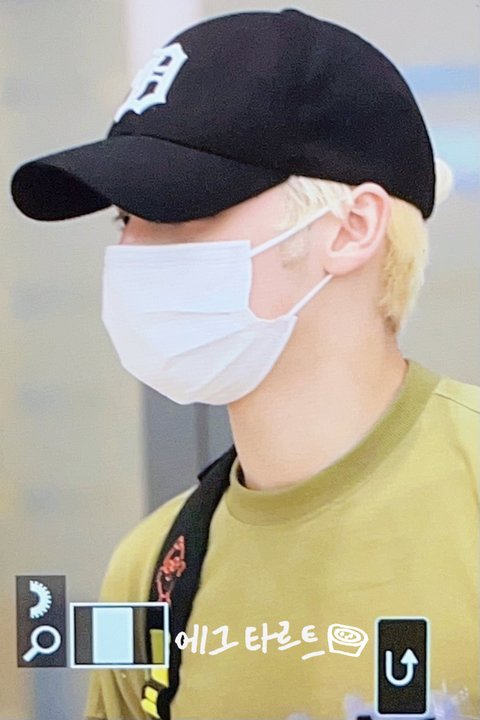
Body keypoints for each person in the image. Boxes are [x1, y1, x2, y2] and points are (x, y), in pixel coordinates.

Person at [10, 9, 479, 720]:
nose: (131, 254)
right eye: (124, 219)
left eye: (177, 207)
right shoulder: (152, 572)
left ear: (350, 229)